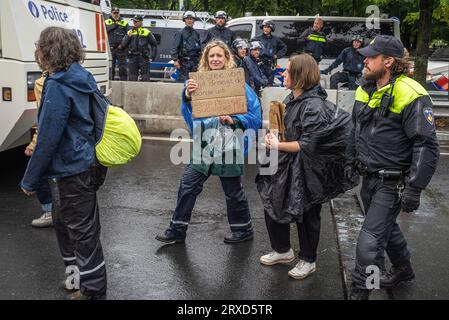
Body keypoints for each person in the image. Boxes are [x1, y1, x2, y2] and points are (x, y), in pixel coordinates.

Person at [346, 35, 440, 300]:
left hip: (393, 184)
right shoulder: (364, 88)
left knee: (369, 242)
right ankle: (403, 269)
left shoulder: (412, 93)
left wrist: (415, 188)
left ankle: (359, 292)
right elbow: (356, 130)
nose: (364, 60)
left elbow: (425, 144)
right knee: (385, 228)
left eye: (370, 56)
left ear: (388, 61)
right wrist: (350, 162)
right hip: (369, 179)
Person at [21, 27, 108, 300]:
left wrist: (29, 179)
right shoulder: (83, 77)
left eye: (40, 47)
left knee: (81, 232)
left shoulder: (58, 85)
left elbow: (48, 137)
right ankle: (75, 280)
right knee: (68, 226)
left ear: (49, 51)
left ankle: (93, 290)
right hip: (85, 163)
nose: (38, 52)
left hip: (70, 169)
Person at [256, 53, 353, 280]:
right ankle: (282, 250)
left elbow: (307, 144)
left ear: (300, 76)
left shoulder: (314, 106)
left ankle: (308, 260)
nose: (284, 74)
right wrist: (274, 137)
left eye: (288, 71)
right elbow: (287, 131)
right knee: (273, 202)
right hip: (286, 165)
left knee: (307, 213)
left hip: (309, 170)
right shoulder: (292, 98)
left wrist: (278, 144)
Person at [156, 40, 262, 245]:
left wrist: (235, 119)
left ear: (226, 58)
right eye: (211, 56)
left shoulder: (239, 84)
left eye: (219, 56)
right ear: (206, 59)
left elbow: (255, 116)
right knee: (188, 184)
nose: (215, 59)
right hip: (205, 142)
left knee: (233, 192)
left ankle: (243, 230)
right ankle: (177, 230)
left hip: (230, 144)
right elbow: (188, 112)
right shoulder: (197, 83)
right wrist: (187, 95)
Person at [25, 72, 53, 228]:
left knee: (41, 172)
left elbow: (45, 120)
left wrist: (34, 143)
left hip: (57, 139)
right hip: (76, 141)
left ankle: (50, 212)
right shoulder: (81, 77)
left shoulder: (43, 83)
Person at [120, 15, 158, 82]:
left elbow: (154, 45)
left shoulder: (146, 32)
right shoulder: (130, 32)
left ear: (141, 22)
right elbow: (123, 45)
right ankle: (132, 92)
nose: (134, 23)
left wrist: (152, 56)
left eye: (136, 21)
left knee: (145, 76)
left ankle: (145, 91)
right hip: (132, 57)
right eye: (133, 21)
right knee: (132, 77)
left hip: (143, 57)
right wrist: (128, 37)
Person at [254, 19, 287, 86]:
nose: (266, 29)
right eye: (264, 27)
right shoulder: (257, 39)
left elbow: (284, 47)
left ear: (271, 28)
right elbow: (251, 50)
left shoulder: (275, 39)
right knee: (258, 84)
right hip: (259, 65)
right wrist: (255, 57)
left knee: (269, 86)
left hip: (270, 66)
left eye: (268, 27)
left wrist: (277, 55)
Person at [171, 11, 202, 82]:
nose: (189, 20)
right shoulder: (180, 33)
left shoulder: (197, 33)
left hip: (195, 62)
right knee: (183, 82)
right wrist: (175, 60)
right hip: (184, 62)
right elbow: (175, 47)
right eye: (187, 19)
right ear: (184, 20)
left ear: (194, 20)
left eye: (191, 19)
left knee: (195, 82)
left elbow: (199, 47)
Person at [105, 7, 130, 81]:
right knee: (110, 68)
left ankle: (124, 83)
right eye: (114, 13)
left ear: (119, 13)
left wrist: (123, 45)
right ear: (111, 13)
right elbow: (103, 31)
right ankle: (110, 83)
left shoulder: (124, 23)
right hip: (110, 48)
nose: (116, 14)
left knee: (122, 68)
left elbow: (128, 36)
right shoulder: (106, 22)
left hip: (121, 49)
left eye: (117, 13)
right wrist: (114, 26)